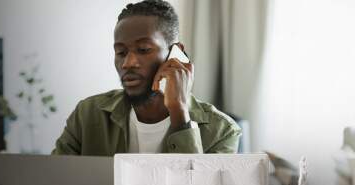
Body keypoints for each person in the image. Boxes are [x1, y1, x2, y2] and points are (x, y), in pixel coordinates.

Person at [52, 0, 241, 156]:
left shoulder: (222, 131)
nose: (128, 62)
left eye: (143, 50)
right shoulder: (87, 115)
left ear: (175, 54)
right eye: (120, 52)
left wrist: (179, 111)